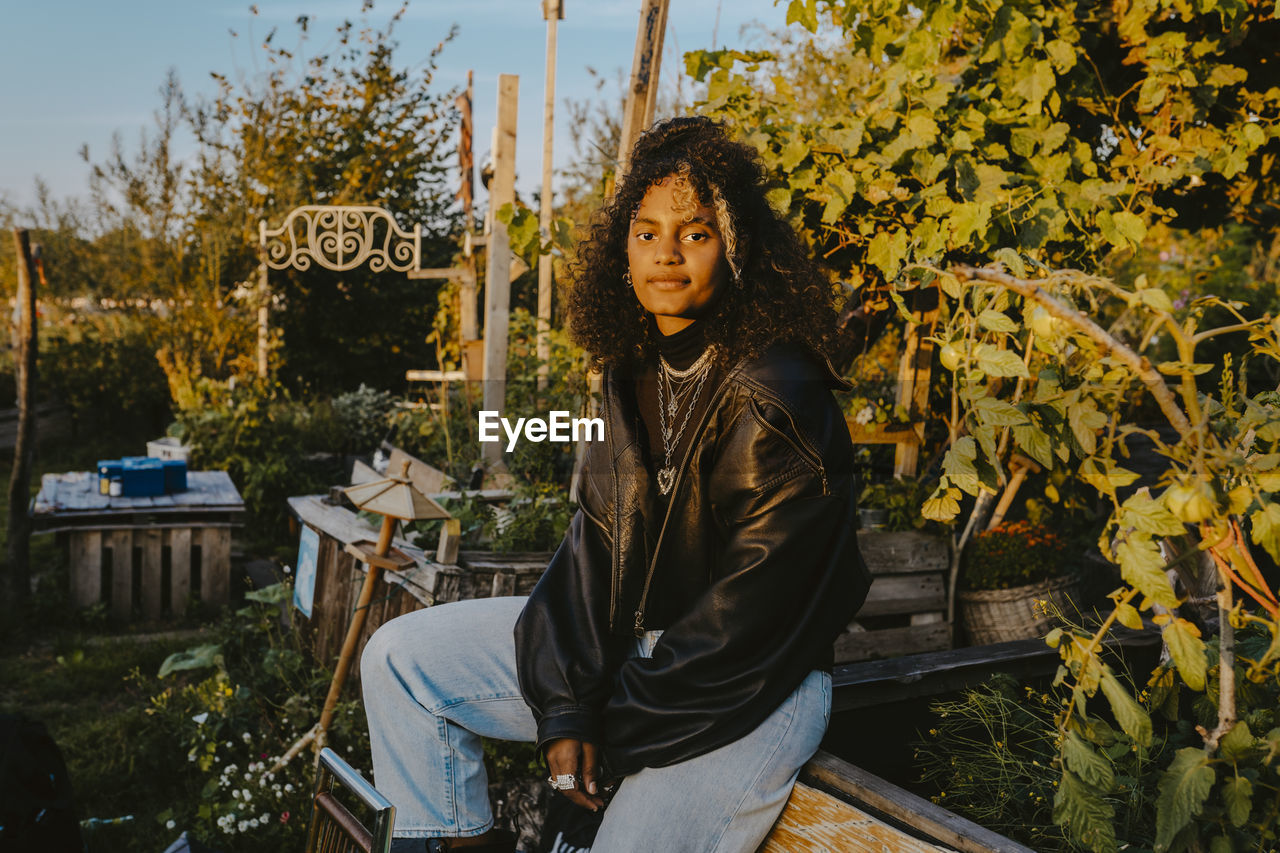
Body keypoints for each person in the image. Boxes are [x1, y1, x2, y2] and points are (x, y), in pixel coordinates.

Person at [361, 116, 871, 853]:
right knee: (401, 661)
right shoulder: (634, 368)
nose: (666, 253)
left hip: (752, 691)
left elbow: (747, 624)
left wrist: (609, 733)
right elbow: (596, 543)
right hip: (642, 658)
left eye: (695, 233)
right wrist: (567, 708)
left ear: (738, 248)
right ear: (622, 247)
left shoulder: (777, 394)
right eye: (647, 231)